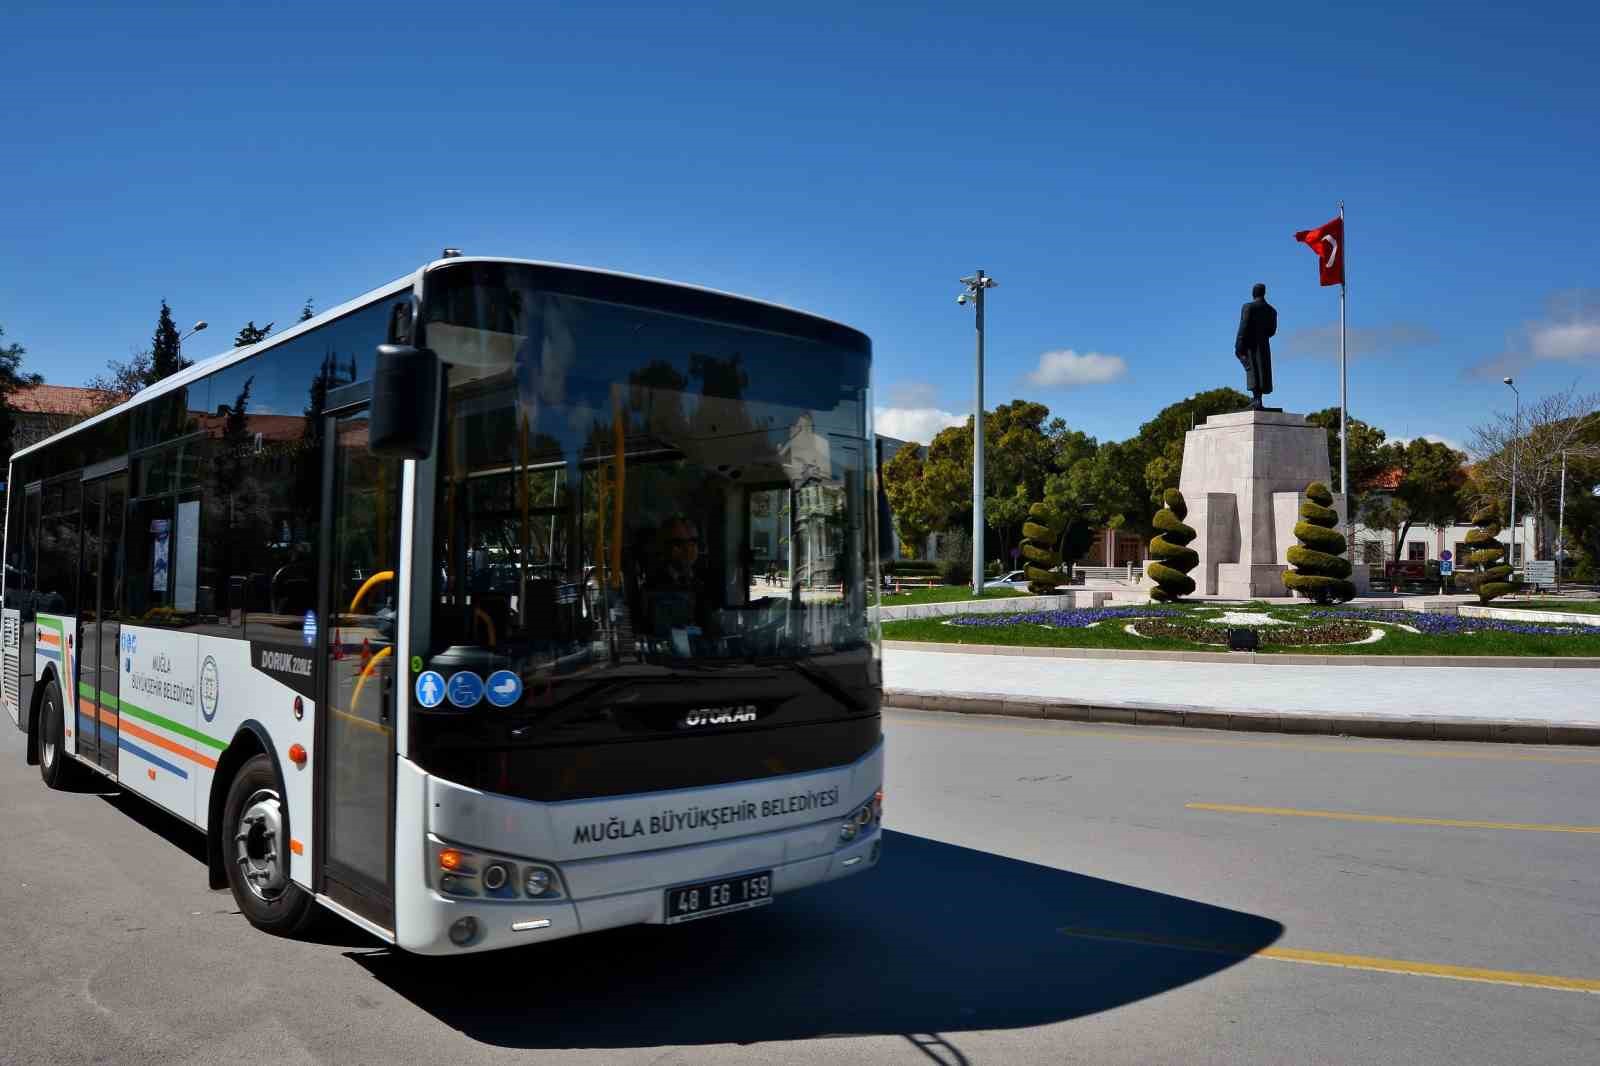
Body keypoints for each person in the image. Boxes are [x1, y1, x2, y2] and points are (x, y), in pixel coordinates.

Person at [1234, 282, 1277, 410]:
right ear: (1264, 293)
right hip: (1263, 345)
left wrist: (1238, 345)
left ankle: (1257, 399)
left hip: (1250, 344)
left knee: (1251, 368)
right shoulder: (1272, 311)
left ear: (1254, 293)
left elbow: (1243, 327)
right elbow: (1272, 331)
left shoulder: (1248, 307)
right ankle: (1258, 399)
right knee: (1261, 369)